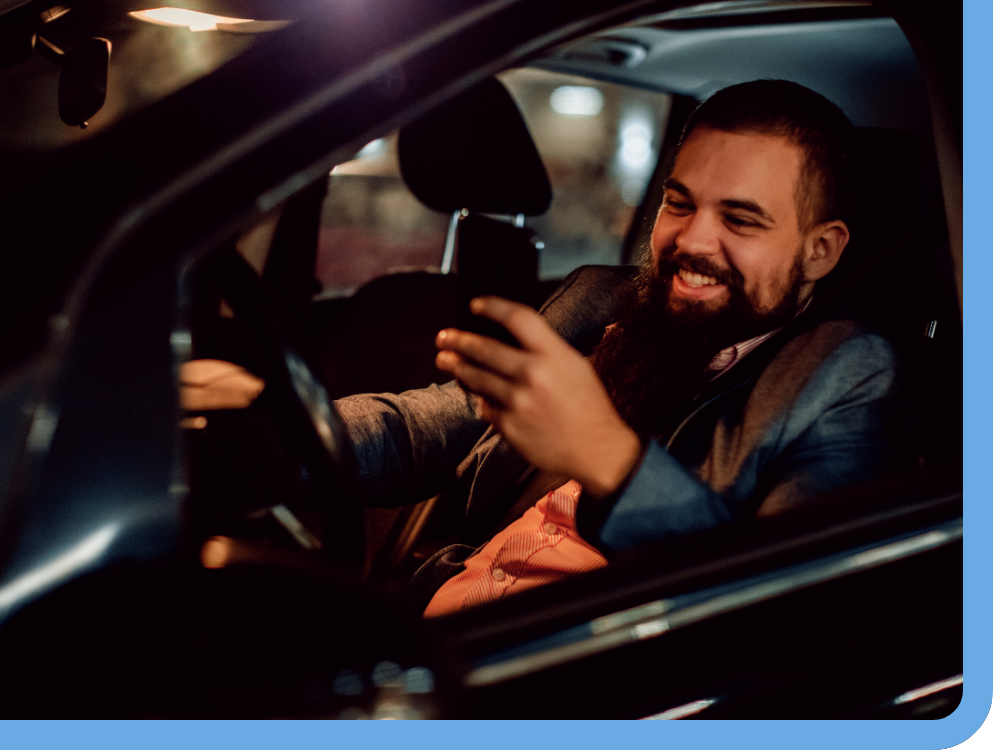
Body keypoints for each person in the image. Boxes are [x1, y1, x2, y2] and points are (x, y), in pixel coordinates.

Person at [336, 79, 913, 616]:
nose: (690, 240)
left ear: (821, 250)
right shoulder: (601, 300)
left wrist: (609, 460)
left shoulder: (847, 371)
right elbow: (436, 425)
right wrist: (286, 422)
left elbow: (784, 603)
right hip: (434, 627)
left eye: (740, 220)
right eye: (679, 203)